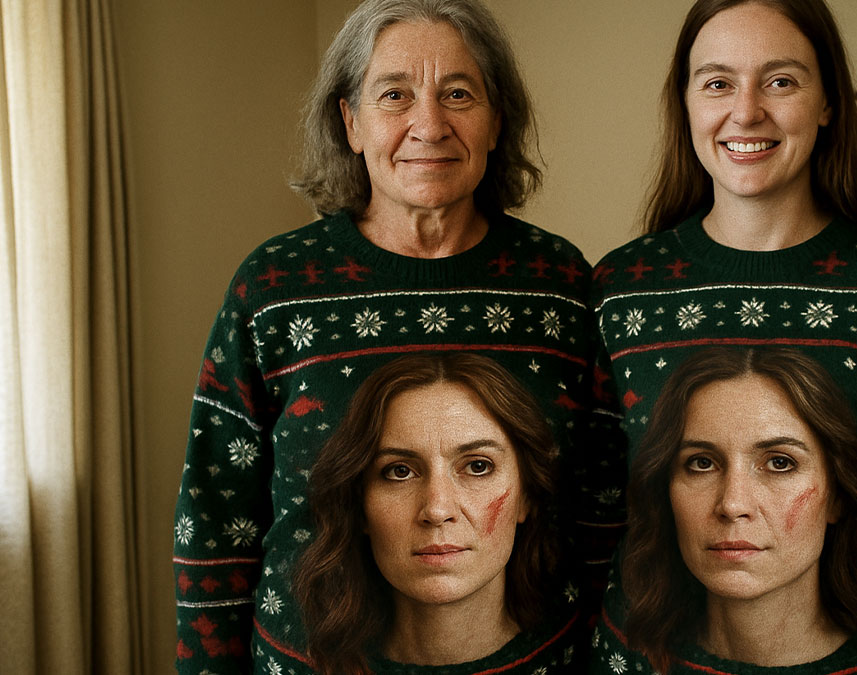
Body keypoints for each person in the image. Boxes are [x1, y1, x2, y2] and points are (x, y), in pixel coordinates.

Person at [172, 1, 622, 672]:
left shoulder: (559, 284)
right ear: (351, 122)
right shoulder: (275, 286)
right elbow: (214, 518)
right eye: (395, 95)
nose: (428, 124)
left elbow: (604, 504)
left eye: (459, 94)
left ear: (497, 120)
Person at [591, 0, 857, 672]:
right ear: (686, 104)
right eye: (718, 82)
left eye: (780, 81)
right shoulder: (623, 285)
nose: (745, 111)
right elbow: (596, 513)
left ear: (828, 103)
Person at [596, 347, 857, 674]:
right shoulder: (623, 655)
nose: (732, 505)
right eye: (702, 463)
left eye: (779, 463)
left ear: (837, 496)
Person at [293, 352, 581, 674]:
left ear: (526, 496)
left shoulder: (583, 660)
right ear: (360, 508)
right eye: (399, 471)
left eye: (477, 466)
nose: (437, 509)